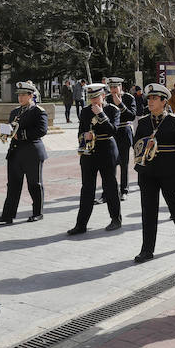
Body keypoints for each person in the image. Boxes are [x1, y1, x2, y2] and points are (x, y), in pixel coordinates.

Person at [132, 83, 175, 263]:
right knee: (148, 210)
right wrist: (145, 145)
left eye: (154, 99)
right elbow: (135, 145)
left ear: (163, 101)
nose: (150, 102)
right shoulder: (144, 122)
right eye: (149, 99)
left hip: (170, 172)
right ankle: (147, 250)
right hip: (147, 172)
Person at [68, 83, 122, 235]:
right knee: (87, 188)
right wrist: (84, 137)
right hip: (89, 153)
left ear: (103, 96)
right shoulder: (85, 111)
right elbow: (80, 132)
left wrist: (101, 115)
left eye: (96, 97)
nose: (93, 100)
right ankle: (81, 224)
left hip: (107, 151)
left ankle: (116, 219)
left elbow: (113, 130)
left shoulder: (112, 110)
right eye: (90, 97)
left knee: (110, 186)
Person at [0, 82, 48, 224]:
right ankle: (8, 215)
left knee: (34, 184)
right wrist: (5, 133)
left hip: (32, 152)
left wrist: (21, 135)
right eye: (19, 95)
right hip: (15, 152)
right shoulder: (15, 112)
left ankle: (37, 213)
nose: (20, 97)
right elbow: (11, 127)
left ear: (31, 96)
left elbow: (41, 130)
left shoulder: (38, 111)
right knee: (12, 185)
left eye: (24, 95)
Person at [108, 77, 137, 200]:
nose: (113, 90)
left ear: (121, 87)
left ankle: (124, 189)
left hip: (124, 132)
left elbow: (131, 116)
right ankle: (110, 190)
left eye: (116, 87)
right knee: (111, 164)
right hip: (112, 134)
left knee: (124, 163)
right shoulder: (107, 99)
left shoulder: (129, 98)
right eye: (111, 87)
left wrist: (120, 104)